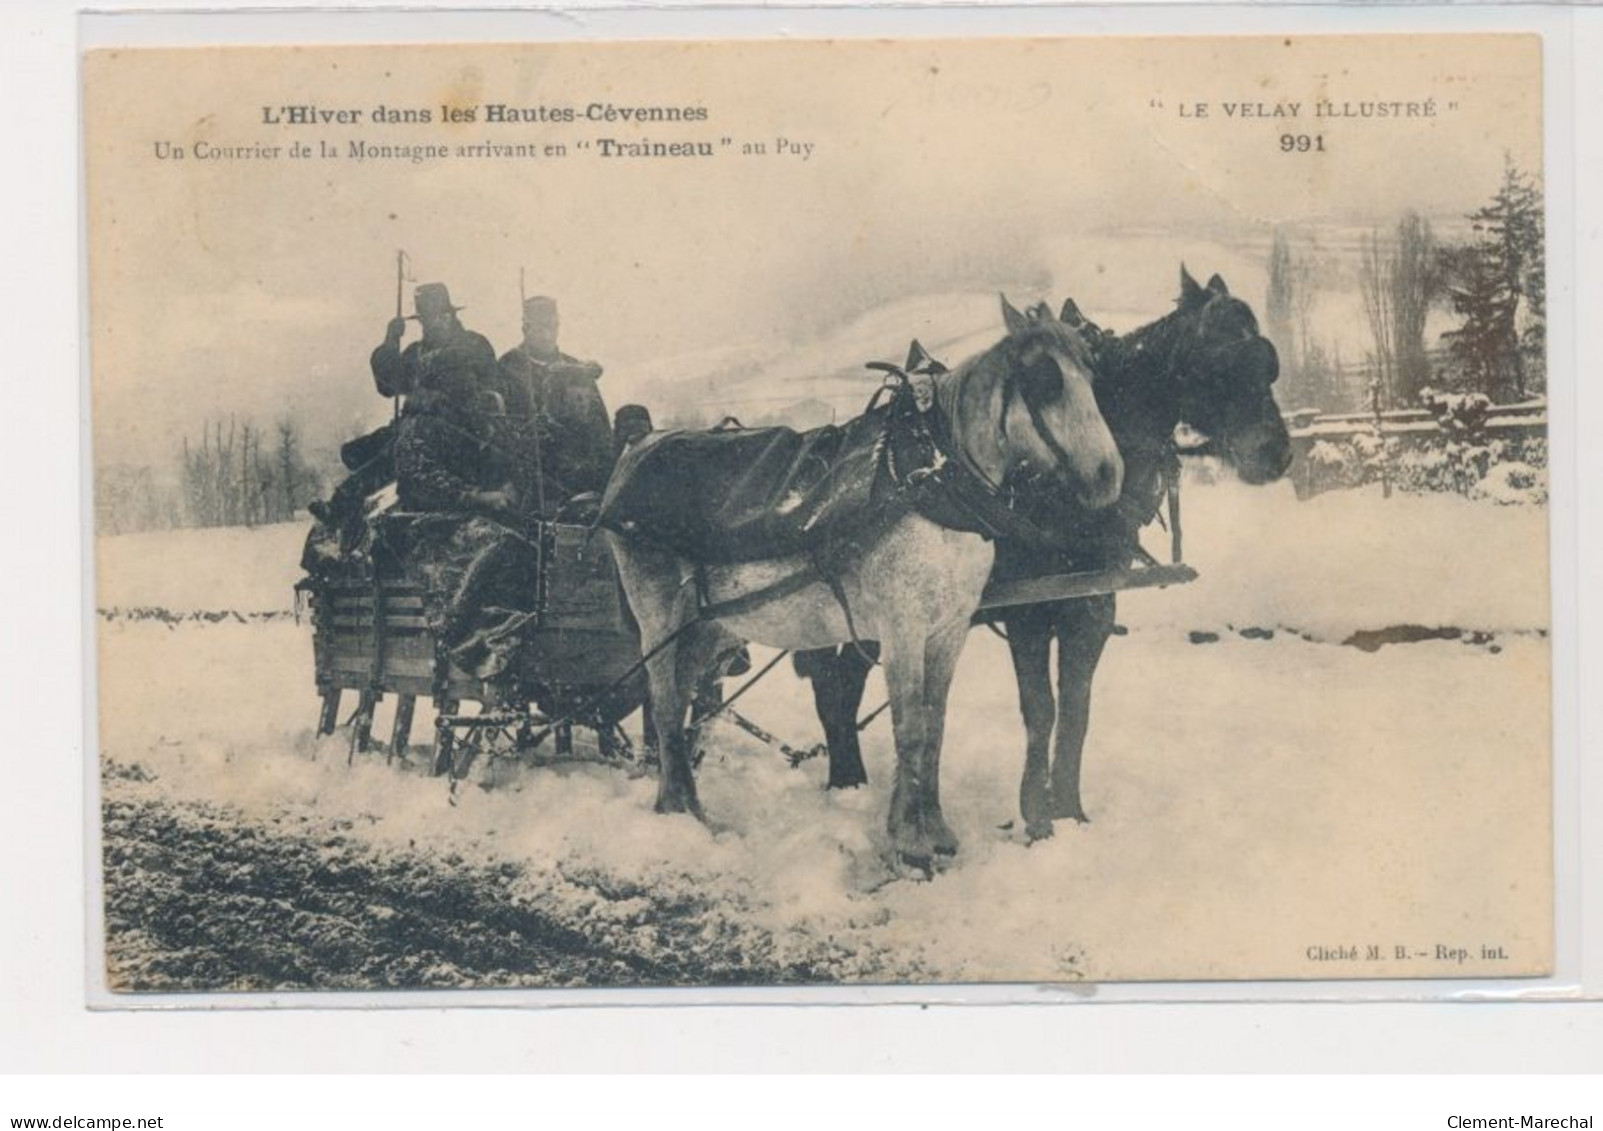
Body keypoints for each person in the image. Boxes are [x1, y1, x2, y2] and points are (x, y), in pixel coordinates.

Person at [497, 296, 614, 506]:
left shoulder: (575, 367)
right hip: (533, 472)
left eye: (553, 326)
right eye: (541, 327)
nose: (548, 334)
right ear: (526, 328)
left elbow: (600, 425)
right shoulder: (507, 367)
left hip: (580, 472)